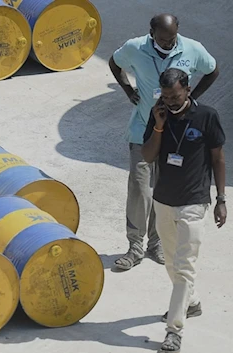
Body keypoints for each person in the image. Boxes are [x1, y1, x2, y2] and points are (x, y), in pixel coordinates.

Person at [108, 13, 220, 271]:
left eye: (172, 39)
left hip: (176, 133)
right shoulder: (135, 47)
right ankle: (134, 246)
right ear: (152, 34)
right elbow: (115, 63)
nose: (169, 43)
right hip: (142, 131)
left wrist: (193, 98)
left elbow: (213, 70)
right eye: (163, 39)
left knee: (163, 189)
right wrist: (128, 90)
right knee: (139, 188)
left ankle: (155, 244)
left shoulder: (192, 48)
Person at [141, 67, 226, 353]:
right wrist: (159, 125)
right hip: (163, 200)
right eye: (165, 96)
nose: (171, 101)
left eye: (175, 96)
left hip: (194, 201)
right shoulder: (158, 115)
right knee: (170, 263)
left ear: (187, 89)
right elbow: (148, 156)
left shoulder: (207, 116)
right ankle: (191, 302)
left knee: (185, 267)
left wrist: (221, 199)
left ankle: (173, 330)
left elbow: (218, 160)